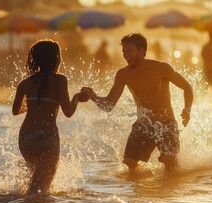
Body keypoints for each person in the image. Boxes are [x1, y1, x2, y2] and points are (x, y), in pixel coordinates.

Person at [81, 32, 194, 172]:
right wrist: (93, 96)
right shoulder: (123, 75)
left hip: (166, 123)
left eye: (129, 51)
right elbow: (109, 105)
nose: (125, 55)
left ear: (142, 51)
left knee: (169, 162)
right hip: (144, 124)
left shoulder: (161, 68)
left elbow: (187, 87)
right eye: (123, 51)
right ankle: (140, 191)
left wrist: (187, 109)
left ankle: (169, 190)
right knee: (130, 161)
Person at [12, 39, 88, 195]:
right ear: (56, 59)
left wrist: (36, 105)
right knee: (39, 191)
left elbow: (15, 110)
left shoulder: (25, 83)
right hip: (47, 139)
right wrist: (77, 98)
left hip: (25, 139)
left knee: (34, 182)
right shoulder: (60, 80)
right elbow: (68, 112)